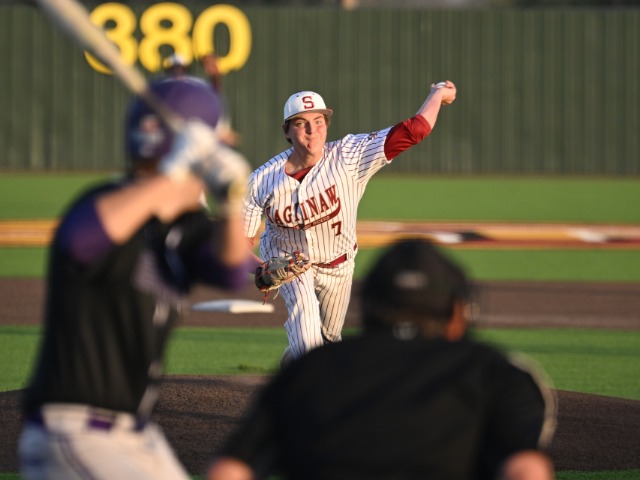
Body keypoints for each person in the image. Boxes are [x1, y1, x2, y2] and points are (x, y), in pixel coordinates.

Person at [18, 76, 254, 480]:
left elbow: (232, 271)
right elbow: (79, 242)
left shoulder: (182, 229)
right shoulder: (101, 203)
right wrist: (173, 173)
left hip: (136, 436)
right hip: (75, 431)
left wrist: (232, 202)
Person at [206, 238, 558, 480]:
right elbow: (526, 471)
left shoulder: (309, 371)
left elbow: (229, 471)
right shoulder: (495, 371)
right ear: (457, 311)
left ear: (370, 307)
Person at [243, 82, 457, 365]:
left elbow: (414, 130)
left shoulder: (349, 155)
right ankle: (310, 387)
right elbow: (236, 244)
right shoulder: (261, 181)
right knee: (307, 339)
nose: (312, 130)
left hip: (339, 265)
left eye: (318, 121)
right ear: (286, 131)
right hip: (291, 266)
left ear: (327, 125)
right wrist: (259, 268)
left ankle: (290, 371)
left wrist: (437, 94)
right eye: (301, 123)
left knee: (329, 339)